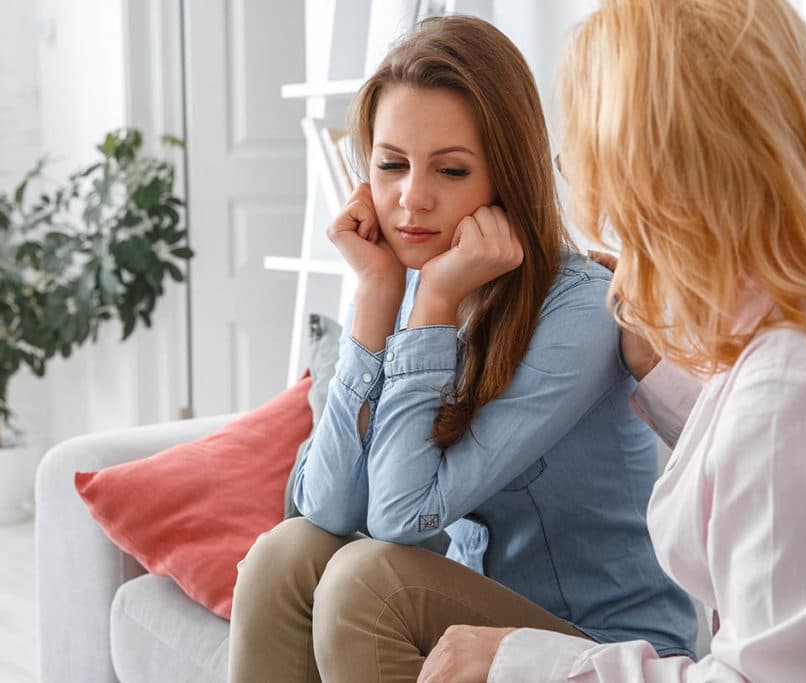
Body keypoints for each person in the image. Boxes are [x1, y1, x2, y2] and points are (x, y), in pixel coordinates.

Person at [419, 1, 806, 681]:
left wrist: (530, 662)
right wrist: (655, 363)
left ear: (671, 187)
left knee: (365, 583)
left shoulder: (797, 391)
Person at [226, 14, 696, 683]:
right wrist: (377, 298)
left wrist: (434, 306)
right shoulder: (403, 281)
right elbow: (319, 507)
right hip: (474, 626)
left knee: (368, 578)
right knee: (285, 553)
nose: (411, 199)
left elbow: (398, 514)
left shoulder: (580, 311)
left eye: (449, 170)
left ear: (504, 176)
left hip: (595, 649)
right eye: (390, 165)